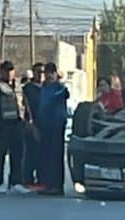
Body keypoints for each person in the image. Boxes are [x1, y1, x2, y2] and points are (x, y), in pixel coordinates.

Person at [0, 61, 31, 194]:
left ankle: (15, 181)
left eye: (11, 70)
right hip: (3, 125)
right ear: (1, 72)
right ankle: (0, 183)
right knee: (0, 154)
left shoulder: (18, 87)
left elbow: (24, 104)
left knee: (18, 153)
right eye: (6, 71)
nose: (9, 73)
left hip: (17, 124)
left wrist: (28, 120)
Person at [37, 62, 69, 195]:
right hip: (44, 126)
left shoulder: (60, 88)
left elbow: (59, 96)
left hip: (56, 125)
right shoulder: (43, 88)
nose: (49, 75)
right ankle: (46, 184)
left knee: (56, 156)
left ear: (56, 74)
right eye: (47, 73)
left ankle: (57, 186)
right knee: (45, 156)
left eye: (52, 73)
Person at [22, 63, 45, 188]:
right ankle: (28, 179)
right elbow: (26, 107)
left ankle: (41, 179)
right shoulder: (28, 88)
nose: (40, 74)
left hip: (45, 125)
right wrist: (30, 123)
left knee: (43, 154)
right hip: (31, 124)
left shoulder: (47, 87)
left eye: (42, 72)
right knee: (31, 153)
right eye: (38, 72)